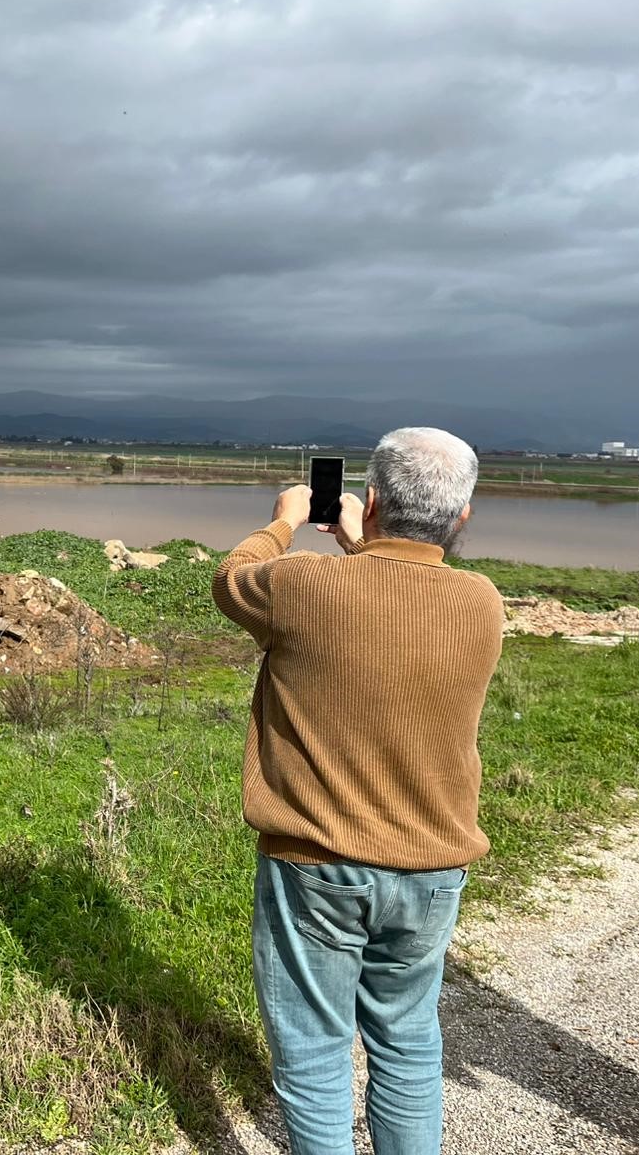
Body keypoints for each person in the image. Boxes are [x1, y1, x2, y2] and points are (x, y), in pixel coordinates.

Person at [211, 427, 504, 1155]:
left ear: (368, 501)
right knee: (407, 1043)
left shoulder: (305, 586)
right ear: (461, 518)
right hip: (433, 869)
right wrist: (365, 544)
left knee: (314, 1053)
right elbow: (397, 602)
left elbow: (230, 578)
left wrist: (285, 517)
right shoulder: (482, 602)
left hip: (315, 864)